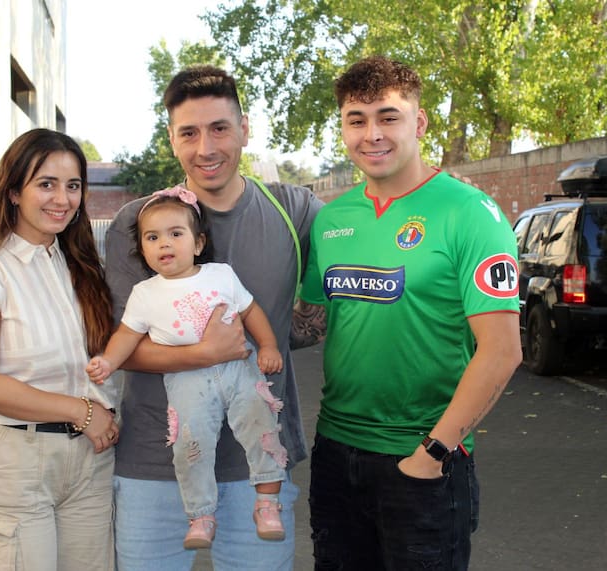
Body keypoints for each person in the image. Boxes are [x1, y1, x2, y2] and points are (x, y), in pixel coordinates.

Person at [299, 55, 523, 570]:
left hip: (423, 459)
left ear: (418, 123)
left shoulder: (470, 214)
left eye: (388, 117)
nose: (372, 134)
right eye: (357, 120)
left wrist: (433, 453)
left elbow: (503, 350)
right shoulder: (333, 219)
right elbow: (311, 322)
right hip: (335, 454)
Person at [104, 65, 325, 570]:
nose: (205, 148)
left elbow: (360, 251)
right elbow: (122, 346)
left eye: (219, 128)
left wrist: (270, 340)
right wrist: (207, 353)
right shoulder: (138, 223)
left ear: (244, 128)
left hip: (258, 472)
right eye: (189, 133)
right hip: (154, 467)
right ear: (172, 139)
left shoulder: (295, 210)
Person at [0, 128, 119, 571]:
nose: (62, 199)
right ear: (14, 192)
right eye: (46, 184)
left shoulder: (81, 267)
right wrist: (82, 411)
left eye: (73, 186)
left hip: (91, 460)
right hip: (16, 458)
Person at [88, 186, 289, 549]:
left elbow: (250, 311)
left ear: (198, 243)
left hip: (238, 368)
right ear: (143, 250)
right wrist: (108, 361)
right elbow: (126, 336)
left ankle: (267, 501)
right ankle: (200, 514)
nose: (164, 243)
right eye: (152, 237)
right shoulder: (145, 293)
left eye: (175, 234)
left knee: (262, 422)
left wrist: (269, 345)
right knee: (190, 443)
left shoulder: (220, 274)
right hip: (185, 378)